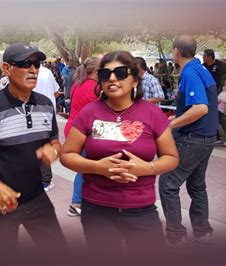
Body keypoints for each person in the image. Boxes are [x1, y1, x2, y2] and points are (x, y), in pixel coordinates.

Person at [60, 51, 179, 258]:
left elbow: (171, 158)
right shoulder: (90, 112)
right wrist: (97, 167)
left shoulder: (152, 114)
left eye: (120, 72)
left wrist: (147, 168)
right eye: (105, 74)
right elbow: (67, 154)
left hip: (141, 209)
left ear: (134, 79)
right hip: (97, 209)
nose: (112, 78)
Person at [0, 43, 67, 257]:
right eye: (24, 64)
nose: (33, 70)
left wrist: (54, 151)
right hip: (1, 202)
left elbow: (55, 142)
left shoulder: (46, 105)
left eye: (36, 64)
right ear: (7, 68)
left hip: (37, 197)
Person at [159, 35, 219, 247]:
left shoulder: (190, 72)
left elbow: (201, 108)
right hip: (207, 137)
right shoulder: (201, 69)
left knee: (168, 184)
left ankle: (175, 235)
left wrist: (172, 125)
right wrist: (179, 116)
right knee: (197, 186)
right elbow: (205, 103)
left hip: (193, 138)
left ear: (176, 51)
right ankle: (202, 232)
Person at [62, 56, 100, 217]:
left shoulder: (78, 84)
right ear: (96, 71)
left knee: (84, 168)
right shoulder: (94, 87)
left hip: (72, 128)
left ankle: (80, 201)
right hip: (83, 131)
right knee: (86, 169)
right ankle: (77, 202)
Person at [33, 63, 61, 192]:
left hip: (32, 112)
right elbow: (56, 92)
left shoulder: (26, 73)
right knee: (45, 145)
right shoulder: (48, 72)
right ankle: (46, 181)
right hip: (47, 113)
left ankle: (40, 179)